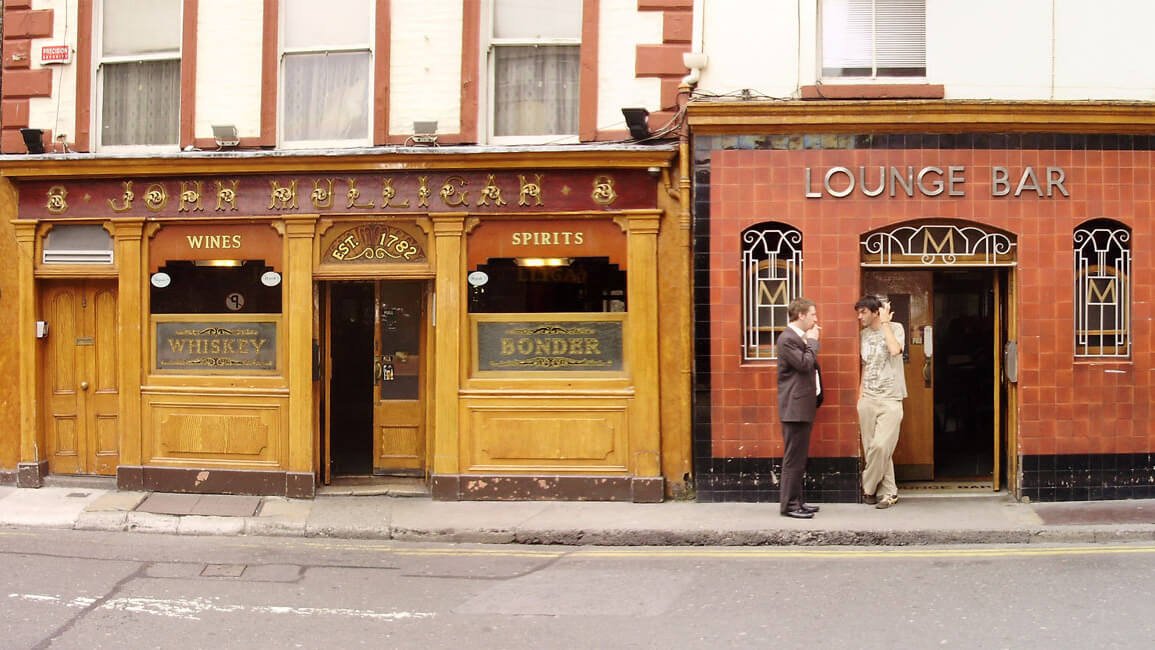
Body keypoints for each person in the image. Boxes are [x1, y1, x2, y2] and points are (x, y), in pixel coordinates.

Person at [855, 294, 907, 509]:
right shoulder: (863, 335)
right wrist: (860, 396)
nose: (859, 317)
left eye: (863, 312)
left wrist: (885, 323)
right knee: (872, 448)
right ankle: (889, 493)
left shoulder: (896, 328)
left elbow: (895, 351)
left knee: (880, 445)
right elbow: (865, 365)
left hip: (890, 398)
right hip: (868, 397)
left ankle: (867, 487)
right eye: (858, 312)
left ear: (877, 311)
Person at [776, 297, 822, 519]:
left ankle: (798, 501)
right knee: (793, 459)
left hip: (801, 407)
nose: (815, 319)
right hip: (794, 409)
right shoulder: (787, 339)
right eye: (812, 314)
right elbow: (804, 364)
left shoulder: (797, 338)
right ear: (801, 315)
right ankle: (789, 505)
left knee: (799, 458)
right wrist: (813, 342)